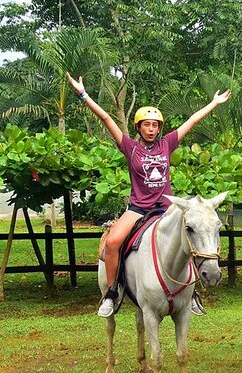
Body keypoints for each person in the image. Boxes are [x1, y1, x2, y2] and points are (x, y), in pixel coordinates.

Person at [66, 72, 231, 317]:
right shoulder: (129, 147)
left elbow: (192, 121)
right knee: (112, 243)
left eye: (155, 125)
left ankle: (191, 292)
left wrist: (214, 103)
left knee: (190, 239)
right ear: (138, 127)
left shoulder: (168, 143)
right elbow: (105, 117)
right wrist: (82, 93)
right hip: (138, 208)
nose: (151, 129)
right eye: (146, 124)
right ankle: (112, 293)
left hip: (167, 208)